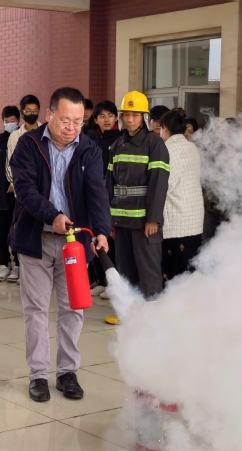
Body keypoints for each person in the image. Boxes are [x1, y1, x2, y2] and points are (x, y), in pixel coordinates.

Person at [9, 87, 111, 403]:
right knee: (36, 310)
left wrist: (102, 231)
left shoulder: (89, 149)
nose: (72, 127)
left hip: (74, 244)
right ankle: (38, 375)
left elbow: (97, 192)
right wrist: (52, 215)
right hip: (35, 239)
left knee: (72, 309)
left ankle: (68, 372)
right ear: (49, 114)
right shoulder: (28, 145)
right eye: (66, 120)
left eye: (79, 122)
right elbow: (25, 190)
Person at [106, 91, 170, 300]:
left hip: (143, 221)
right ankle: (129, 312)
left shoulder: (154, 144)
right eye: (126, 114)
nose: (130, 119)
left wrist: (153, 218)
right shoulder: (117, 145)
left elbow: (159, 184)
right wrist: (110, 220)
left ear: (144, 117)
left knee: (148, 272)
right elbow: (109, 184)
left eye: (135, 115)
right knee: (125, 271)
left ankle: (152, 312)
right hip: (121, 220)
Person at [159, 109, 204, 281]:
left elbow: (166, 185)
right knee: (190, 273)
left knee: (173, 276)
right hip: (194, 217)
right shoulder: (192, 147)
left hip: (176, 221)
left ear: (165, 129)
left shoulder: (166, 149)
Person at [2, 95, 43, 282]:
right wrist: (18, 185)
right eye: (28, 111)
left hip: (43, 192)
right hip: (23, 193)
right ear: (22, 113)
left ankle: (40, 272)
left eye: (35, 111)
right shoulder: (14, 137)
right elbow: (10, 165)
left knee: (41, 234)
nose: (32, 114)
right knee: (23, 231)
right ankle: (19, 268)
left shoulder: (46, 131)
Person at [88, 101, 121, 299]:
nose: (106, 119)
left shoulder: (121, 139)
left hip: (112, 196)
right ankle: (100, 280)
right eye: (102, 116)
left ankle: (112, 283)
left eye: (110, 115)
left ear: (116, 118)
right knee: (94, 237)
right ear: (95, 119)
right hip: (94, 195)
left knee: (110, 240)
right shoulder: (92, 140)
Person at [0, 106, 20, 276]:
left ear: (18, 120)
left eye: (12, 121)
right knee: (1, 231)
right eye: (6, 121)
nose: (9, 124)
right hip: (2, 197)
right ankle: (3, 263)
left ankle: (18, 264)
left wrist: (16, 184)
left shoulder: (22, 138)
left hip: (19, 196)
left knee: (17, 231)